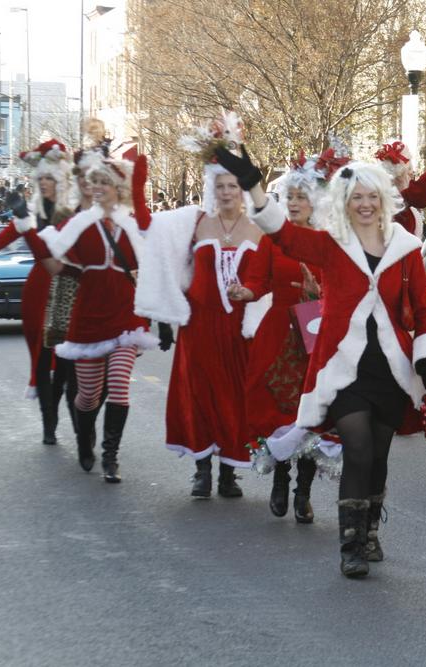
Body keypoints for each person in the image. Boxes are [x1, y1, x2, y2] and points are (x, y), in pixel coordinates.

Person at [219, 148, 426, 578]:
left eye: (370, 196)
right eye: (355, 197)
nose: (364, 204)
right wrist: (253, 186)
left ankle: (370, 530)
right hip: (342, 368)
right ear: (343, 202)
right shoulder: (331, 245)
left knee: (377, 454)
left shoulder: (407, 247)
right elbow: (282, 233)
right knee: (357, 448)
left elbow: (423, 309)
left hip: (391, 369)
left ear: (383, 199)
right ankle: (350, 546)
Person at [135, 112, 264, 497]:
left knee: (235, 397)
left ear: (242, 189)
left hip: (239, 329)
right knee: (199, 395)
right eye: (220, 186)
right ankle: (202, 469)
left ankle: (229, 472)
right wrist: (136, 180)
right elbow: (146, 226)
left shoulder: (259, 228)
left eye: (233, 186)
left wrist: (254, 293)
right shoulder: (193, 221)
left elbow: (269, 274)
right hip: (200, 326)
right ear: (212, 188)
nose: (226, 192)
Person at [37, 150, 158, 483]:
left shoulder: (131, 226)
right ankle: (84, 438)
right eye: (97, 183)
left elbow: (151, 266)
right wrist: (34, 239)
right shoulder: (78, 225)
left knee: (119, 386)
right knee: (88, 396)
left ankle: (110, 456)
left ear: (119, 189)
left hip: (124, 317)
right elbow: (58, 267)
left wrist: (163, 315)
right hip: (88, 319)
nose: (100, 188)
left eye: (108, 183)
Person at [237, 150, 344, 521]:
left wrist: (321, 294)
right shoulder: (272, 239)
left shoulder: (327, 241)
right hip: (279, 331)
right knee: (278, 409)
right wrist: (246, 292)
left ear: (315, 202)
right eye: (290, 197)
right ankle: (281, 481)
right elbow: (257, 281)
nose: (295, 203)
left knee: (312, 411)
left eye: (302, 197)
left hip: (315, 334)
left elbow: (342, 287)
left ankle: (304, 493)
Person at [0, 140, 76, 446]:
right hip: (38, 291)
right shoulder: (26, 213)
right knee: (43, 359)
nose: (44, 183)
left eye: (50, 178)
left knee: (67, 361)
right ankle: (49, 420)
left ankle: (64, 413)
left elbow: (61, 254)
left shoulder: (73, 214)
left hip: (69, 289)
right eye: (41, 178)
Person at [375, 138, 426, 238]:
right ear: (399, 177)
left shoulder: (397, 198)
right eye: (409, 171)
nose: (412, 175)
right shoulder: (397, 199)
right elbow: (422, 185)